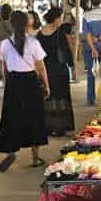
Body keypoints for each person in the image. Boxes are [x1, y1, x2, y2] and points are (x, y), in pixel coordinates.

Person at [0, 10, 51, 172]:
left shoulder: (5, 44)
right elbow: (41, 67)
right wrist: (46, 85)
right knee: (34, 116)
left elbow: (4, 68)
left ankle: (10, 151)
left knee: (11, 117)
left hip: (13, 82)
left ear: (11, 24)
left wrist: (7, 85)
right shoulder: (33, 43)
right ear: (27, 23)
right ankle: (35, 157)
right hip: (30, 82)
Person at [37, 7, 76, 137]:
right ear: (56, 18)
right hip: (59, 69)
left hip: (46, 68)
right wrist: (72, 64)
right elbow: (66, 51)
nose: (62, 20)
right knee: (61, 96)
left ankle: (47, 126)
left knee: (49, 96)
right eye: (61, 17)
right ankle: (60, 126)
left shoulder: (40, 34)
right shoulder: (60, 33)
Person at [81, 0, 101, 103]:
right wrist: (99, 39)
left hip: (89, 48)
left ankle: (90, 99)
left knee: (90, 73)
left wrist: (93, 49)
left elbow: (86, 35)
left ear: (91, 2)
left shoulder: (86, 15)